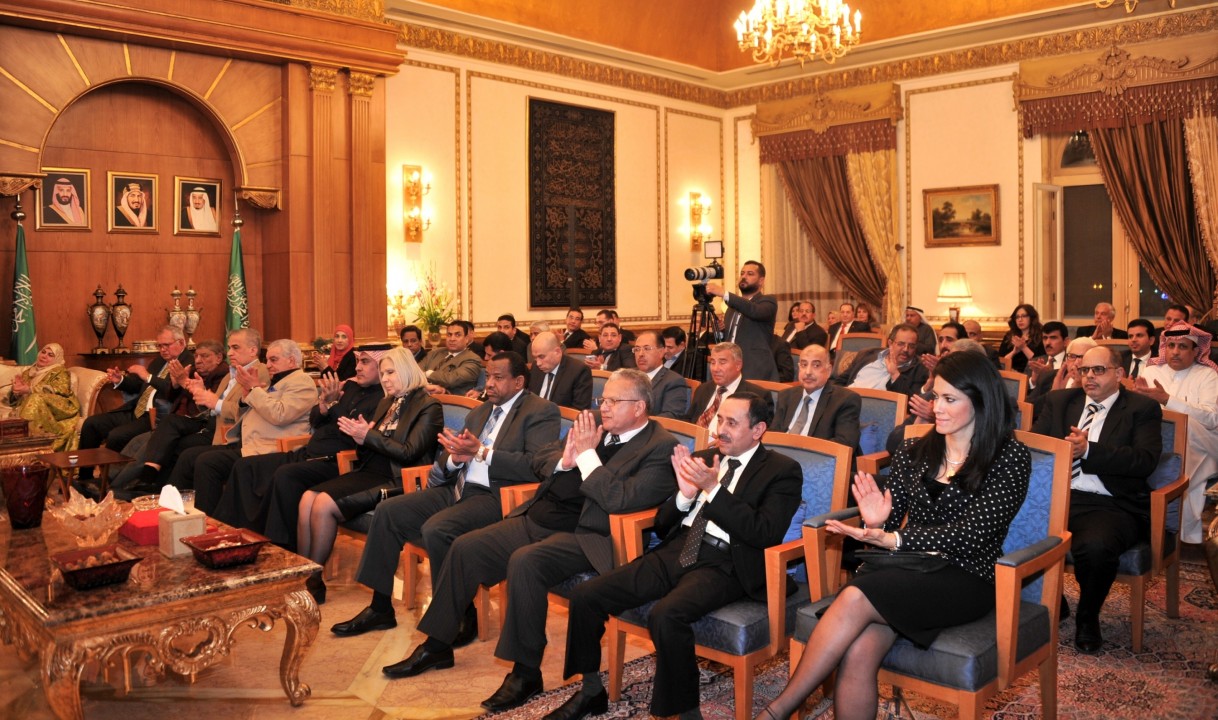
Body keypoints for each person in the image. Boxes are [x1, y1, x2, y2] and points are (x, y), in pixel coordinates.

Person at [758, 351, 1031, 720]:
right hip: (906, 569)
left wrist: (896, 540)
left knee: (855, 596)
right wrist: (878, 523)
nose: (937, 408)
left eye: (950, 399)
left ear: (980, 400)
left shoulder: (1009, 457)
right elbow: (888, 528)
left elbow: (973, 535)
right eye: (935, 396)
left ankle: (776, 712)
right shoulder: (913, 450)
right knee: (859, 651)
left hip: (966, 576)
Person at [381, 370, 677, 706]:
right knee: (466, 547)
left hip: (589, 534)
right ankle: (437, 645)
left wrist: (587, 456)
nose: (603, 407)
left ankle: (525, 673)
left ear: (639, 407)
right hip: (539, 516)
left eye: (613, 401)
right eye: (603, 399)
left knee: (526, 562)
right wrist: (565, 461)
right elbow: (540, 458)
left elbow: (621, 500)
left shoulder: (661, 447)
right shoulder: (592, 422)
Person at [555, 392, 801, 720]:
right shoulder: (703, 458)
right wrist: (684, 497)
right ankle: (590, 691)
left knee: (667, 616)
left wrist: (713, 489)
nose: (721, 429)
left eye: (732, 423)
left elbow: (764, 532)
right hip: (679, 548)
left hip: (727, 562)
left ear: (758, 430)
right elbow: (662, 523)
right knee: (587, 594)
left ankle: (688, 713)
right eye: (720, 420)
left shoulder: (782, 470)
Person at [331, 352, 560, 642]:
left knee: (438, 528)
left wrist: (482, 452)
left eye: (498, 377)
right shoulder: (479, 412)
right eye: (488, 376)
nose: (489, 383)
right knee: (389, 511)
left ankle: (460, 613)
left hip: (496, 495)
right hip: (457, 487)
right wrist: (454, 458)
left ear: (518, 382)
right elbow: (448, 457)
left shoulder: (541, 411)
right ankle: (380, 608)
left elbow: (536, 466)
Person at [1033, 345, 1161, 653]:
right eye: (1084, 370)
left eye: (1098, 370)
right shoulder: (1060, 401)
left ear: (1119, 374)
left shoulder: (1142, 409)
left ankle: (1088, 616)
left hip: (1111, 503)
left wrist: (1089, 450)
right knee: (1006, 526)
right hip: (1058, 496)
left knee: (1096, 547)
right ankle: (1054, 601)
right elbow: (1035, 448)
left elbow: (1144, 461)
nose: (1089, 376)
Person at [296, 346, 443, 604]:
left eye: (391, 372)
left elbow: (409, 453)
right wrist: (360, 438)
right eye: (383, 373)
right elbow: (369, 448)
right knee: (307, 497)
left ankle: (313, 581)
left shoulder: (429, 406)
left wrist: (368, 436)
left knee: (322, 504)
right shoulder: (387, 402)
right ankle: (303, 574)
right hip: (371, 470)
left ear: (407, 371)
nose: (385, 379)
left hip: (399, 478)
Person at [211, 344, 387, 537]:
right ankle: (232, 534)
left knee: (285, 475)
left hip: (334, 460)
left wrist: (333, 404)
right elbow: (315, 421)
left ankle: (277, 542)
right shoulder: (350, 386)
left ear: (381, 365)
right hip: (309, 451)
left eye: (364, 362)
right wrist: (323, 407)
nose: (358, 367)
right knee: (245, 466)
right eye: (358, 361)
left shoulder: (383, 399)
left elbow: (352, 430)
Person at [180, 338, 317, 514]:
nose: (268, 365)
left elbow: (280, 414)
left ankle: (210, 519)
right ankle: (183, 511)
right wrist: (245, 399)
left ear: (291, 360)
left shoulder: (302, 382)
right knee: (193, 457)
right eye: (267, 360)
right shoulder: (277, 381)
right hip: (249, 442)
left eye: (273, 360)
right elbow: (251, 411)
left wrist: (253, 390)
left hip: (272, 447)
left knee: (208, 462)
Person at [1131, 325, 1218, 546]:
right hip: (1155, 441)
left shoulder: (1208, 375)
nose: (1175, 352)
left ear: (1195, 351)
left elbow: (1211, 419)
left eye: (1182, 347)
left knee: (1181, 428)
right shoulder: (1152, 372)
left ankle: (1174, 529)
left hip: (1203, 443)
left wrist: (1167, 400)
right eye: (1171, 345)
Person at [111, 339, 230, 495]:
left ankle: (122, 487)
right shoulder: (192, 370)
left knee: (150, 444)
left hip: (198, 423)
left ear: (219, 358)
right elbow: (171, 397)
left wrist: (186, 383)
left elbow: (209, 406)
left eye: (205, 356)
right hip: (177, 423)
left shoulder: (223, 375)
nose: (198, 360)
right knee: (137, 441)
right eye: (196, 356)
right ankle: (111, 479)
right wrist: (175, 384)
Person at [78, 325, 192, 480]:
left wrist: (148, 377)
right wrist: (121, 380)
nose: (162, 350)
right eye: (159, 346)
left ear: (181, 343)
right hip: (136, 410)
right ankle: (85, 478)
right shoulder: (159, 362)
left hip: (155, 417)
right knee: (92, 424)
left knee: (116, 436)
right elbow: (140, 386)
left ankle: (112, 481)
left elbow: (173, 392)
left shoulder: (188, 363)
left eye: (166, 345)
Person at [773, 345, 861, 448]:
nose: (808, 372)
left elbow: (845, 443)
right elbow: (773, 434)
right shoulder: (786, 396)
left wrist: (802, 449)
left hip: (815, 456)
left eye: (816, 366)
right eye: (804, 365)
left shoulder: (845, 400)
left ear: (828, 370)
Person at [705, 260, 779, 380]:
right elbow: (730, 338)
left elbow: (754, 311)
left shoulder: (768, 301)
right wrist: (721, 331)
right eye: (742, 273)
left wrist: (724, 293)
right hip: (730, 367)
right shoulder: (732, 308)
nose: (744, 277)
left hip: (755, 368)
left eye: (750, 274)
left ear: (761, 281)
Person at [0, 343, 80, 452]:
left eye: (50, 355)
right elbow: (18, 398)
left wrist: (30, 389)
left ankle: (29, 446)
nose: (44, 356)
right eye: (43, 352)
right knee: (32, 400)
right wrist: (16, 391)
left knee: (36, 398)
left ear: (56, 358)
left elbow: (61, 390)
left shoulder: (60, 371)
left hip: (61, 407)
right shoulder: (28, 372)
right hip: (34, 404)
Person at [684, 342, 771, 435]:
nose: (715, 369)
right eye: (712, 362)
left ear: (738, 365)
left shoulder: (757, 396)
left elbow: (759, 434)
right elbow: (688, 420)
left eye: (722, 363)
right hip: (694, 440)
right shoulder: (703, 389)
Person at [834, 324, 928, 397]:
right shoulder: (867, 354)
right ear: (890, 343)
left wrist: (895, 374)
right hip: (848, 403)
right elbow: (840, 381)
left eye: (911, 346)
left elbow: (910, 402)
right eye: (901, 344)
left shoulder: (920, 369)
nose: (906, 349)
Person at [527, 331, 593, 410]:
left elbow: (578, 411)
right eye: (535, 357)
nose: (538, 363)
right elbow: (529, 399)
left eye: (541, 357)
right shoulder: (535, 367)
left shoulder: (579, 371)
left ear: (557, 352)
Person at [631, 330, 689, 419]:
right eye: (637, 349)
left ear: (661, 352)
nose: (640, 354)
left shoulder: (673, 381)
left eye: (647, 348)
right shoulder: (627, 376)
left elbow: (671, 416)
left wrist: (639, 424)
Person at [419, 321, 483, 396]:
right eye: (449, 335)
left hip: (453, 400)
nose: (452, 339)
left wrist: (428, 374)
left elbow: (451, 379)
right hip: (424, 396)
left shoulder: (473, 359)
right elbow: (415, 372)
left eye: (458, 335)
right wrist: (426, 386)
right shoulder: (434, 353)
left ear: (466, 339)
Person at [998, 303, 1045, 374]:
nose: (1020, 320)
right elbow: (1001, 362)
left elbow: (1039, 363)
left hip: (1032, 375)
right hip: (1010, 374)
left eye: (1024, 316)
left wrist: (1023, 347)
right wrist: (1013, 352)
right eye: (1017, 317)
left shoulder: (1041, 335)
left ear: (1031, 318)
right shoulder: (1009, 336)